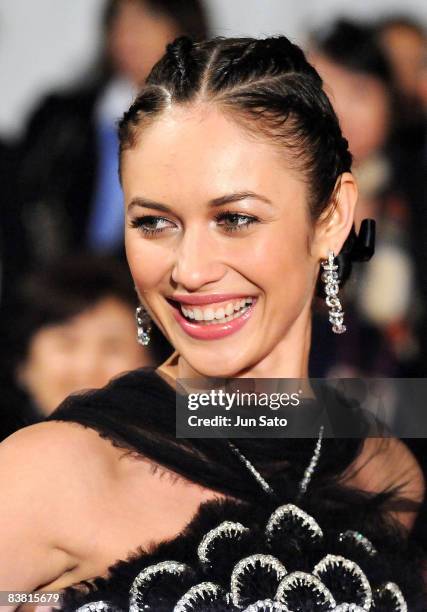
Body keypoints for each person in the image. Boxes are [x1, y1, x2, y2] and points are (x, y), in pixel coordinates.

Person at [0, 36, 425, 610]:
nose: (190, 270)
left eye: (236, 218)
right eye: (153, 223)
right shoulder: (53, 474)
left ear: (330, 220)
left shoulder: (385, 469)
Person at [16, 0, 208, 271]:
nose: (128, 32)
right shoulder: (63, 117)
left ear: (183, 28)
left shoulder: (206, 123)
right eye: (119, 19)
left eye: (147, 18)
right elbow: (30, 202)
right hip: (60, 284)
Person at [0, 255, 171, 432]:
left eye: (113, 347)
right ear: (24, 365)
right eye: (67, 343)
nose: (88, 367)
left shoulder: (187, 449)